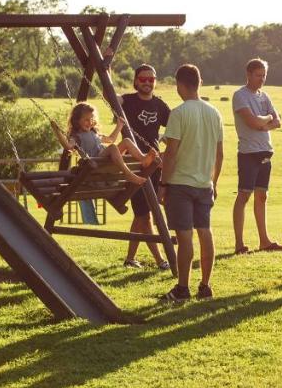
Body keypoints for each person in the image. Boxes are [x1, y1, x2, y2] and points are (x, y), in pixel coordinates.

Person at [159, 64, 224, 302]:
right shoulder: (214, 112)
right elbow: (220, 154)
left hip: (180, 184)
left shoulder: (178, 113)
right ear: (200, 82)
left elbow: (171, 153)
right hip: (204, 182)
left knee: (184, 236)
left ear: (180, 85)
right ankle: (205, 285)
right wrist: (214, 182)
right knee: (205, 232)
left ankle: (183, 288)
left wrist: (163, 185)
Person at [231, 58, 282, 254]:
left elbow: (277, 121)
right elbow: (253, 123)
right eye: (258, 75)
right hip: (248, 153)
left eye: (264, 75)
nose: (262, 79)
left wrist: (264, 122)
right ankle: (239, 243)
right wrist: (265, 120)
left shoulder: (265, 96)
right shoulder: (240, 96)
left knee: (262, 196)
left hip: (265, 150)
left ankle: (264, 241)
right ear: (248, 75)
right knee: (244, 195)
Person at [119, 64, 172, 270]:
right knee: (144, 215)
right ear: (135, 81)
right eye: (143, 79)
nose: (147, 83)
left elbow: (175, 127)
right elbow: (108, 94)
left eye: (151, 79)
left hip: (155, 165)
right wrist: (105, 62)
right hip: (136, 165)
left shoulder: (160, 105)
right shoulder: (127, 100)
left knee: (141, 214)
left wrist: (168, 152)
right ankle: (160, 260)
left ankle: (130, 258)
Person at [65, 102, 152, 189]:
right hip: (95, 162)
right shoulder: (76, 137)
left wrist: (119, 126)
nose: (90, 123)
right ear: (77, 120)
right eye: (86, 120)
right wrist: (58, 133)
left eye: (91, 119)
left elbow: (111, 139)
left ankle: (143, 159)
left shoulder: (94, 133)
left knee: (126, 141)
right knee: (113, 147)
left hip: (105, 159)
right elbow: (68, 146)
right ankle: (128, 174)